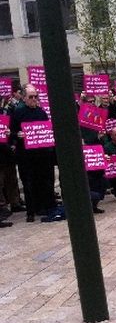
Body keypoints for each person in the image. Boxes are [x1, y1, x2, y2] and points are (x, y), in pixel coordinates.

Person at [9, 85, 61, 222]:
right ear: (24, 98)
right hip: (26, 156)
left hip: (43, 154)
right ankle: (31, 211)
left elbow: (47, 130)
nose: (33, 99)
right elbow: (10, 133)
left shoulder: (41, 112)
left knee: (46, 181)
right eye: (31, 97)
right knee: (29, 183)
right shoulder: (18, 113)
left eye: (35, 97)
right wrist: (17, 135)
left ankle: (48, 206)